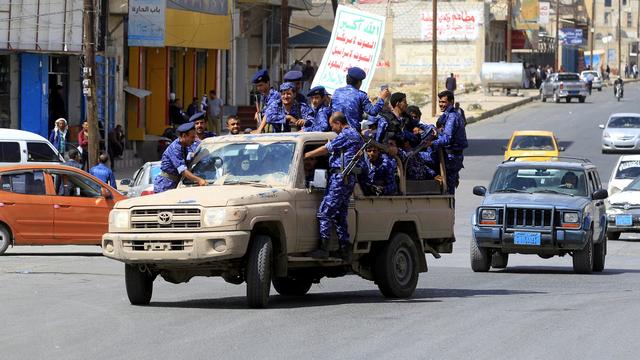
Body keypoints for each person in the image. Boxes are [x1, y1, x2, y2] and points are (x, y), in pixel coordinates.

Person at [303, 113, 364, 260]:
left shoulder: (347, 134)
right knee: (339, 215)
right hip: (347, 178)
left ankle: (323, 248)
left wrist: (307, 154)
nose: (333, 129)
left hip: (340, 178)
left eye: (333, 126)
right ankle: (345, 248)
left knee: (325, 212)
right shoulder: (354, 133)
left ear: (338, 123)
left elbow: (327, 148)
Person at [153, 122, 207, 193]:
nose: (194, 140)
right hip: (165, 186)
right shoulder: (175, 148)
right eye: (192, 137)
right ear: (184, 136)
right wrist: (199, 180)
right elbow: (183, 171)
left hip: (176, 184)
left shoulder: (185, 146)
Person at [331, 67, 390, 131]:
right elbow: (373, 112)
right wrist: (382, 98)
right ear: (359, 82)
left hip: (337, 130)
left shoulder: (337, 92)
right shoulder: (361, 95)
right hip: (352, 132)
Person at [431, 90, 468, 195]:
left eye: (444, 102)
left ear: (451, 102)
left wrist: (431, 143)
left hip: (451, 157)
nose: (441, 105)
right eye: (440, 102)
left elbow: (447, 139)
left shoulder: (452, 117)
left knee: (448, 189)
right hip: (450, 156)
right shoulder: (448, 115)